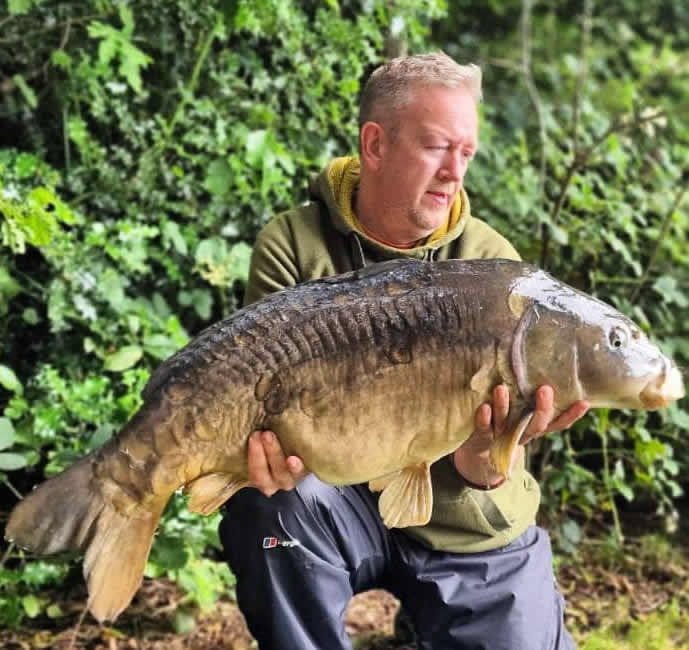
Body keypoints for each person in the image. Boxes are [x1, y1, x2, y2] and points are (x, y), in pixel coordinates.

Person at [219, 52, 590, 650]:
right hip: (336, 507)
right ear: (375, 145)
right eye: (436, 147)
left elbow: (487, 469)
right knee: (270, 511)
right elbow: (262, 407)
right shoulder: (294, 244)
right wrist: (257, 457)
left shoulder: (496, 271)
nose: (454, 173)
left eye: (465, 153)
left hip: (463, 519)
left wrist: (486, 459)